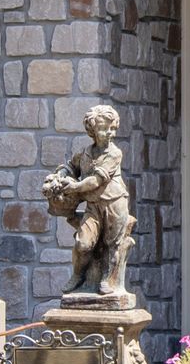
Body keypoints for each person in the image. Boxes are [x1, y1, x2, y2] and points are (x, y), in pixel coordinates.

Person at [41, 104, 135, 297]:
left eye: (113, 128)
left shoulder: (114, 154)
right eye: (103, 128)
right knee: (83, 244)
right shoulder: (85, 153)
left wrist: (74, 187)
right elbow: (70, 166)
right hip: (93, 206)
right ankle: (77, 275)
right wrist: (59, 176)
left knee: (112, 244)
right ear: (92, 130)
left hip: (114, 204)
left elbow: (95, 181)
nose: (109, 133)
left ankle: (107, 279)